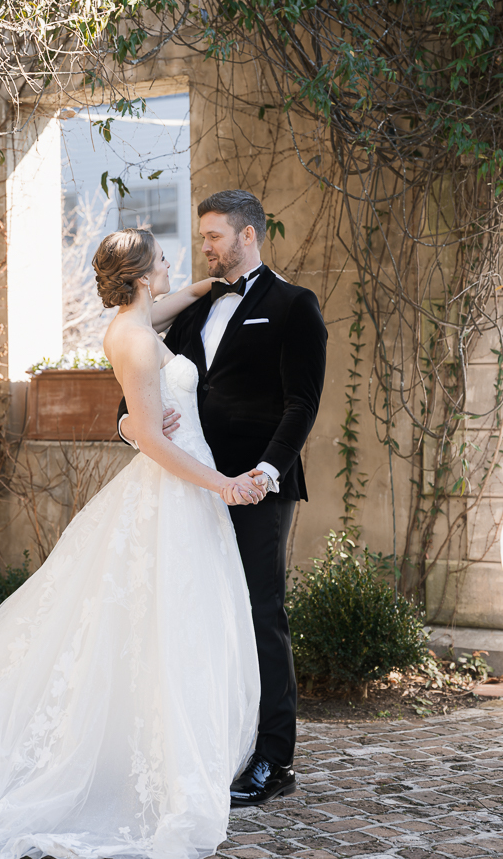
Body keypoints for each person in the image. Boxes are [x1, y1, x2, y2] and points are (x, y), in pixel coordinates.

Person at [0, 227, 266, 859]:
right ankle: (151, 770)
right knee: (161, 630)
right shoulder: (135, 341)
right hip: (175, 492)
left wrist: (206, 285)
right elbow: (149, 437)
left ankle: (161, 753)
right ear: (145, 276)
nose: (177, 265)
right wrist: (222, 484)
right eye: (168, 260)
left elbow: (163, 317)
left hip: (178, 496)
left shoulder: (137, 320)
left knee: (165, 630)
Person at [118, 190, 328, 806]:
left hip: (258, 485)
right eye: (202, 236)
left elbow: (302, 403)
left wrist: (266, 471)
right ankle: (214, 743)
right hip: (189, 485)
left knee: (262, 614)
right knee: (198, 613)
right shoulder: (191, 309)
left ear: (249, 236)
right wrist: (130, 428)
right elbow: (140, 389)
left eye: (214, 237)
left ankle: (273, 758)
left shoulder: (294, 307)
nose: (204, 247)